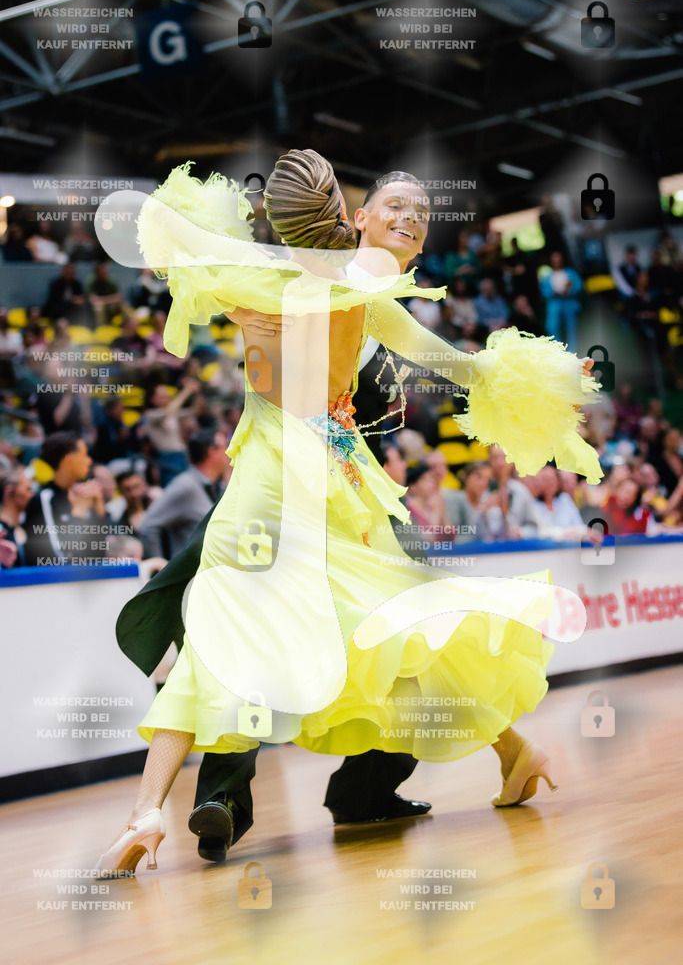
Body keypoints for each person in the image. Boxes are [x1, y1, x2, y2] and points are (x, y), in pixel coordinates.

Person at [97, 152, 599, 878]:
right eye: (393, 205)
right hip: (321, 480)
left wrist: (552, 384)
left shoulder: (291, 281)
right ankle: (514, 749)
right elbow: (454, 363)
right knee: (395, 626)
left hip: (293, 481)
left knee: (237, 638)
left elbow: (460, 367)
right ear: (352, 215)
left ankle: (147, 811)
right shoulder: (328, 281)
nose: (408, 219)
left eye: (419, 216)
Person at [136, 427, 228, 559]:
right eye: (225, 447)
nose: (230, 452)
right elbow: (147, 527)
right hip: (191, 576)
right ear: (212, 453)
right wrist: (160, 570)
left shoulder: (215, 485)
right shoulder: (186, 485)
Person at [23, 432, 110, 565]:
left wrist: (99, 515)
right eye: (85, 455)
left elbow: (96, 558)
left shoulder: (83, 497)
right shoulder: (42, 500)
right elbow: (58, 559)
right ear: (68, 459)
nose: (89, 461)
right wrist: (78, 515)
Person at [539, 252, 582, 352]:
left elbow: (579, 286)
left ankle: (572, 349)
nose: (556, 263)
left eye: (558, 260)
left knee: (571, 326)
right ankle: (558, 349)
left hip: (568, 301)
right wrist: (551, 292)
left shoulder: (570, 272)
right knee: (551, 325)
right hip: (554, 301)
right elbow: (544, 291)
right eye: (554, 261)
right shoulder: (547, 275)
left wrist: (569, 290)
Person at [0, 468, 32, 567]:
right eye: (27, 489)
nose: (31, 495)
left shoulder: (25, 528)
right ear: (9, 491)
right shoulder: (2, 530)